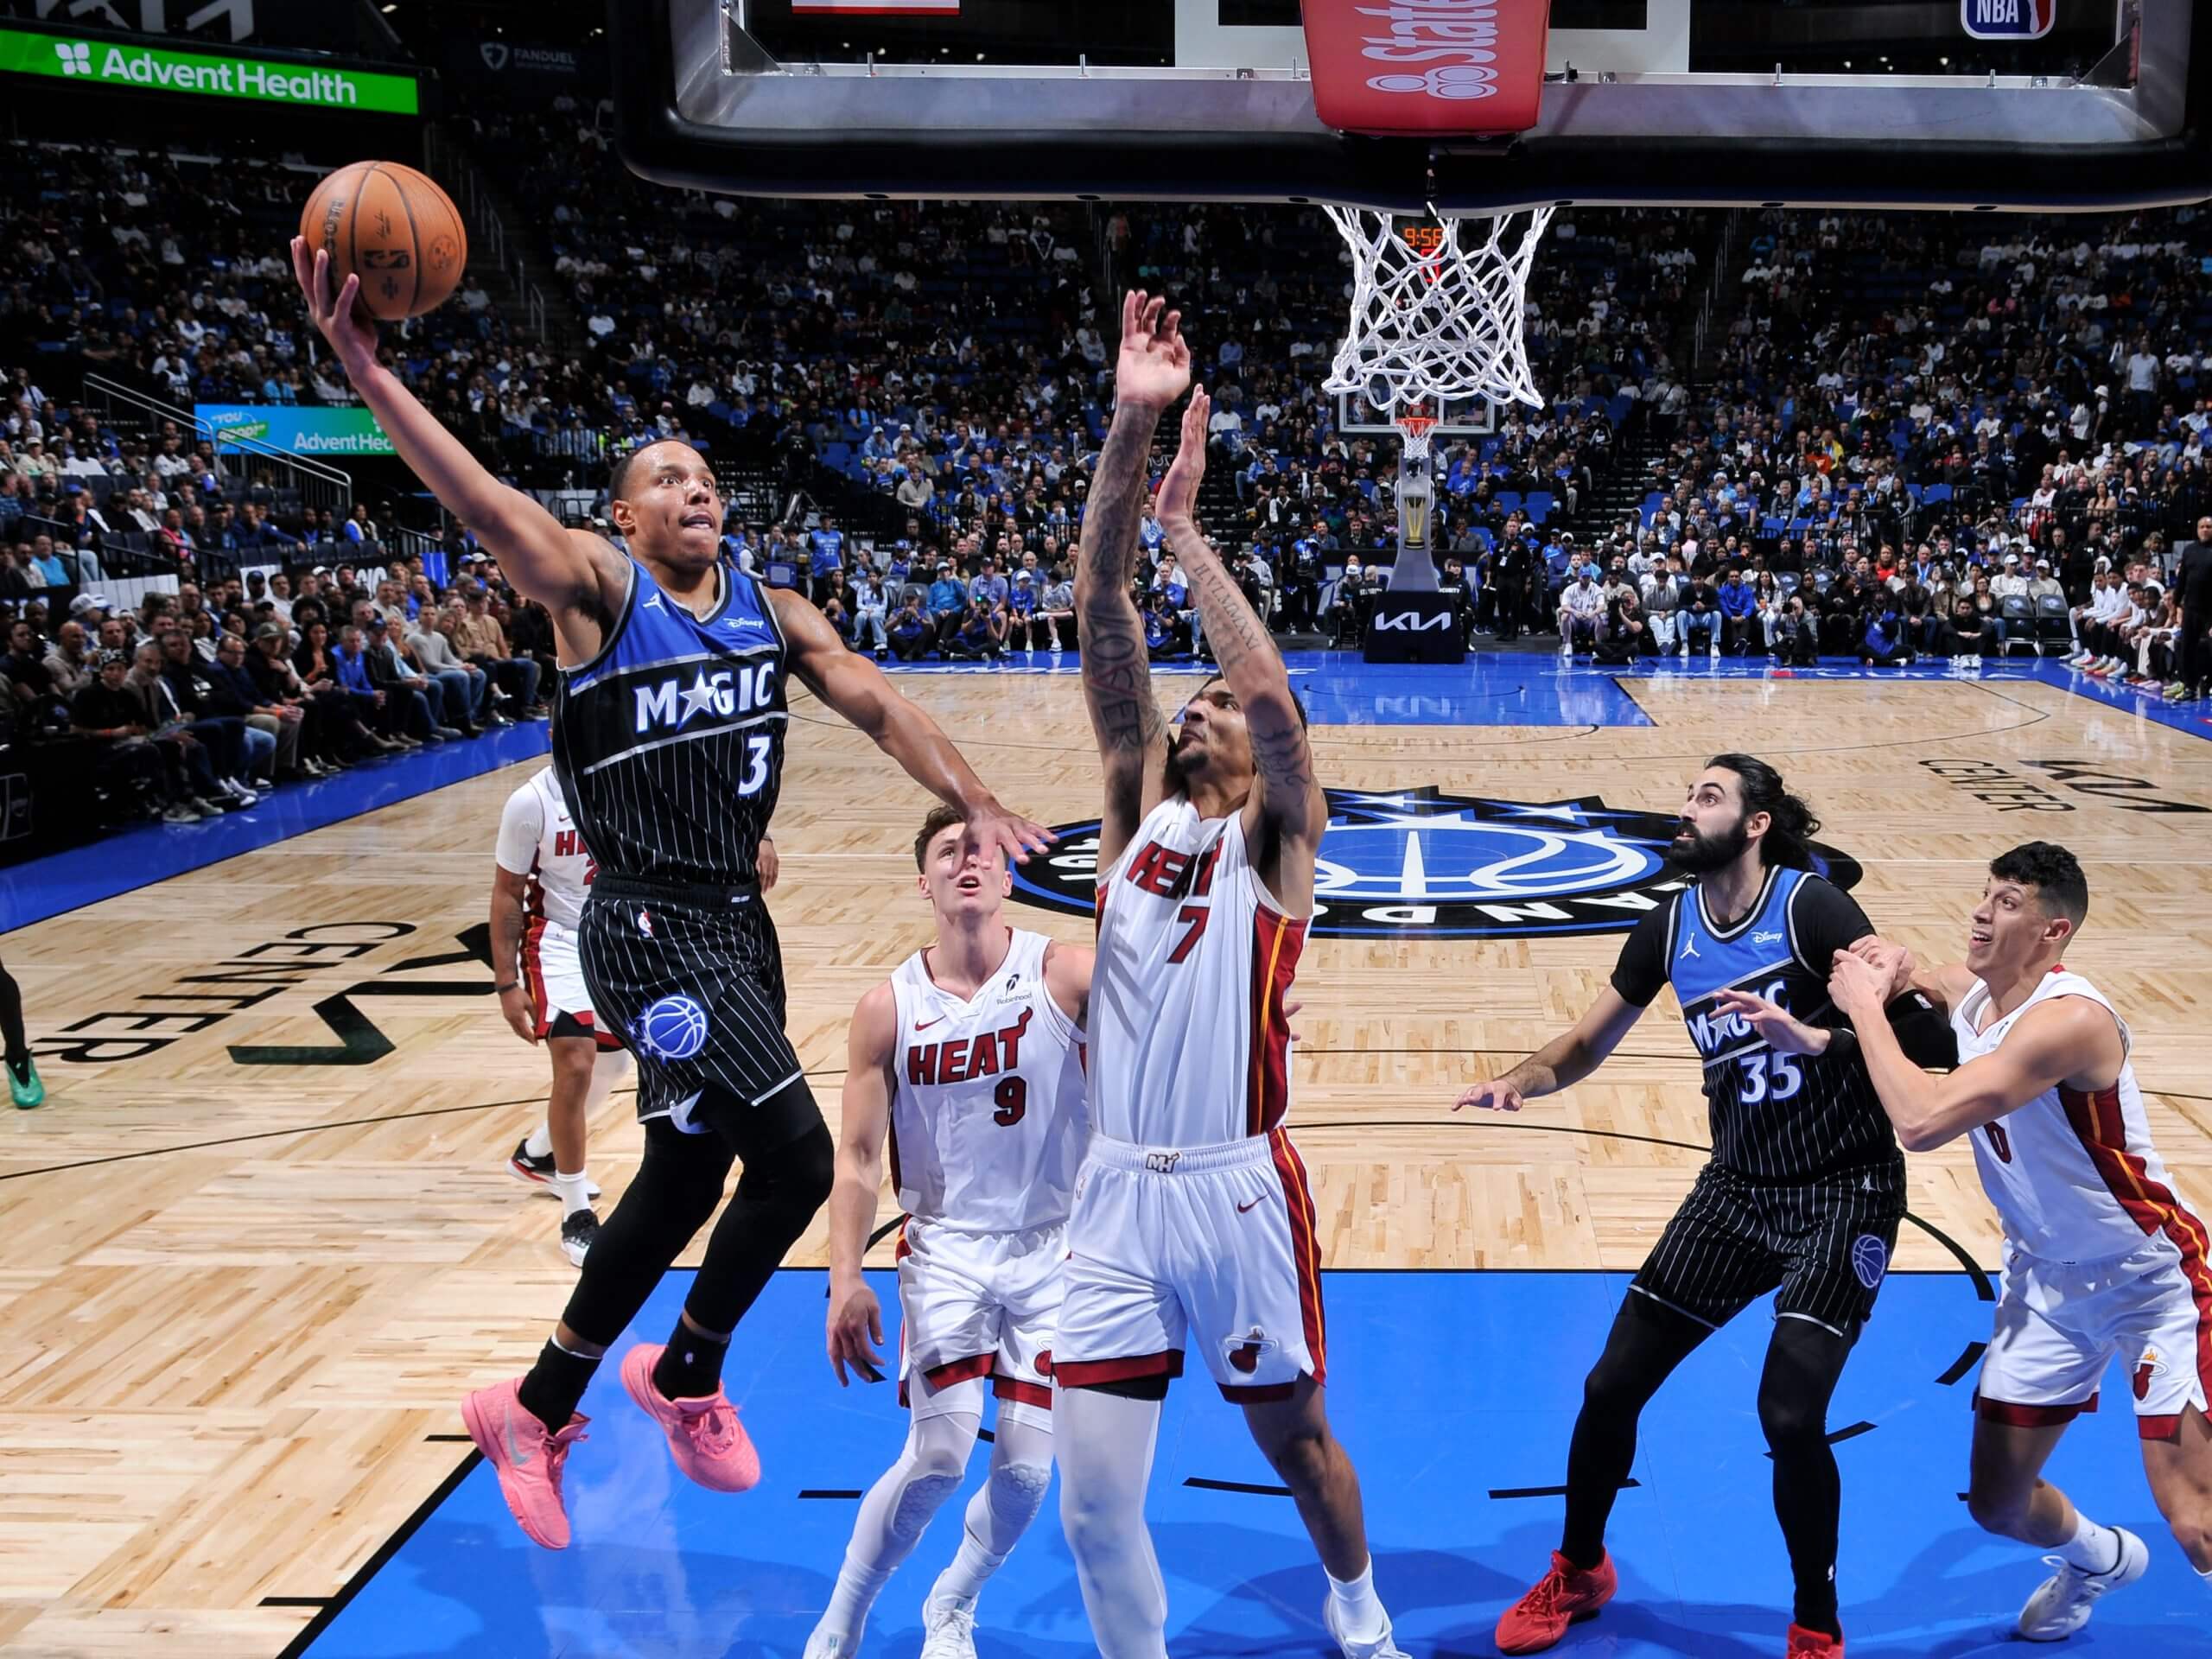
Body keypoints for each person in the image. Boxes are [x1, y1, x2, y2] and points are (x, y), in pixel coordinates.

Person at [289, 237, 1048, 1553]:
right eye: (665, 479)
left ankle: (534, 1407)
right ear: (622, 518)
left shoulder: (773, 607)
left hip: (736, 926)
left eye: (704, 476)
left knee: (691, 1169)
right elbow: (485, 507)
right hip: (645, 926)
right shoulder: (597, 592)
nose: (694, 488)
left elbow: (878, 705)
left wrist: (973, 795)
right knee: (799, 1157)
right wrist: (367, 373)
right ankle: (688, 1371)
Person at [1060, 294, 1408, 1659]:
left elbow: (1270, 695)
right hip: (1112, 1189)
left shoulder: (1276, 841)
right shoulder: (1132, 814)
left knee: (1297, 1445)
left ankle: (1358, 1609)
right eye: (1188, 704)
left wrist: (1189, 536)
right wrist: (1131, 422)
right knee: (1093, 1509)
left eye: (1212, 706)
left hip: (1237, 1189)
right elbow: (1098, 603)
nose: (1199, 710)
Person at [1459, 753, 1957, 1657]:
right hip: (1735, 1191)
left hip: (1842, 1190)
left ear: (1757, 823)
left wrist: (1818, 1037)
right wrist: (1520, 1080)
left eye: (1708, 797)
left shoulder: (1810, 909)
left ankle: (1816, 1624)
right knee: (1609, 1387)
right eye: (1688, 795)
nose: (1685, 810)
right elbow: (1585, 1043)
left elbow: (1920, 1036)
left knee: (1788, 1416)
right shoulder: (1668, 927)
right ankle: (1580, 1568)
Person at [1830, 844, 2212, 1641]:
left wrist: (1865, 1006)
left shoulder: (2072, 1020)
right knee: (1998, 1504)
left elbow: (1920, 1122)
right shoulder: (1980, 995)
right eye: (1985, 894)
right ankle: (2102, 1560)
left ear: (2052, 931)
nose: (1981, 911)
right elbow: (1938, 979)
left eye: (2007, 903)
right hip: (2042, 1283)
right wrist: (1894, 967)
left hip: (2150, 1278)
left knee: (2197, 1523)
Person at [806, 804, 1092, 1659]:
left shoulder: (1065, 974)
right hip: (947, 1249)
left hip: (1055, 1248)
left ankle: (953, 1603)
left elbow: (1170, 1008)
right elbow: (858, 1158)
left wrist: (1257, 1012)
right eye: (946, 852)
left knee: (1027, 1474)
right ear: (923, 882)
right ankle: (841, 1624)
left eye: (980, 851)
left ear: (1007, 875)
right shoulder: (886, 1009)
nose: (966, 862)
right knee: (937, 1455)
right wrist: (844, 1278)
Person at [491, 764, 643, 1266]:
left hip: (618, 933)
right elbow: (507, 892)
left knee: (614, 1065)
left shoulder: (629, 776)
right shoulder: (530, 801)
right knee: (576, 1062)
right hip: (557, 938)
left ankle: (538, 1153)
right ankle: (576, 1213)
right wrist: (507, 983)